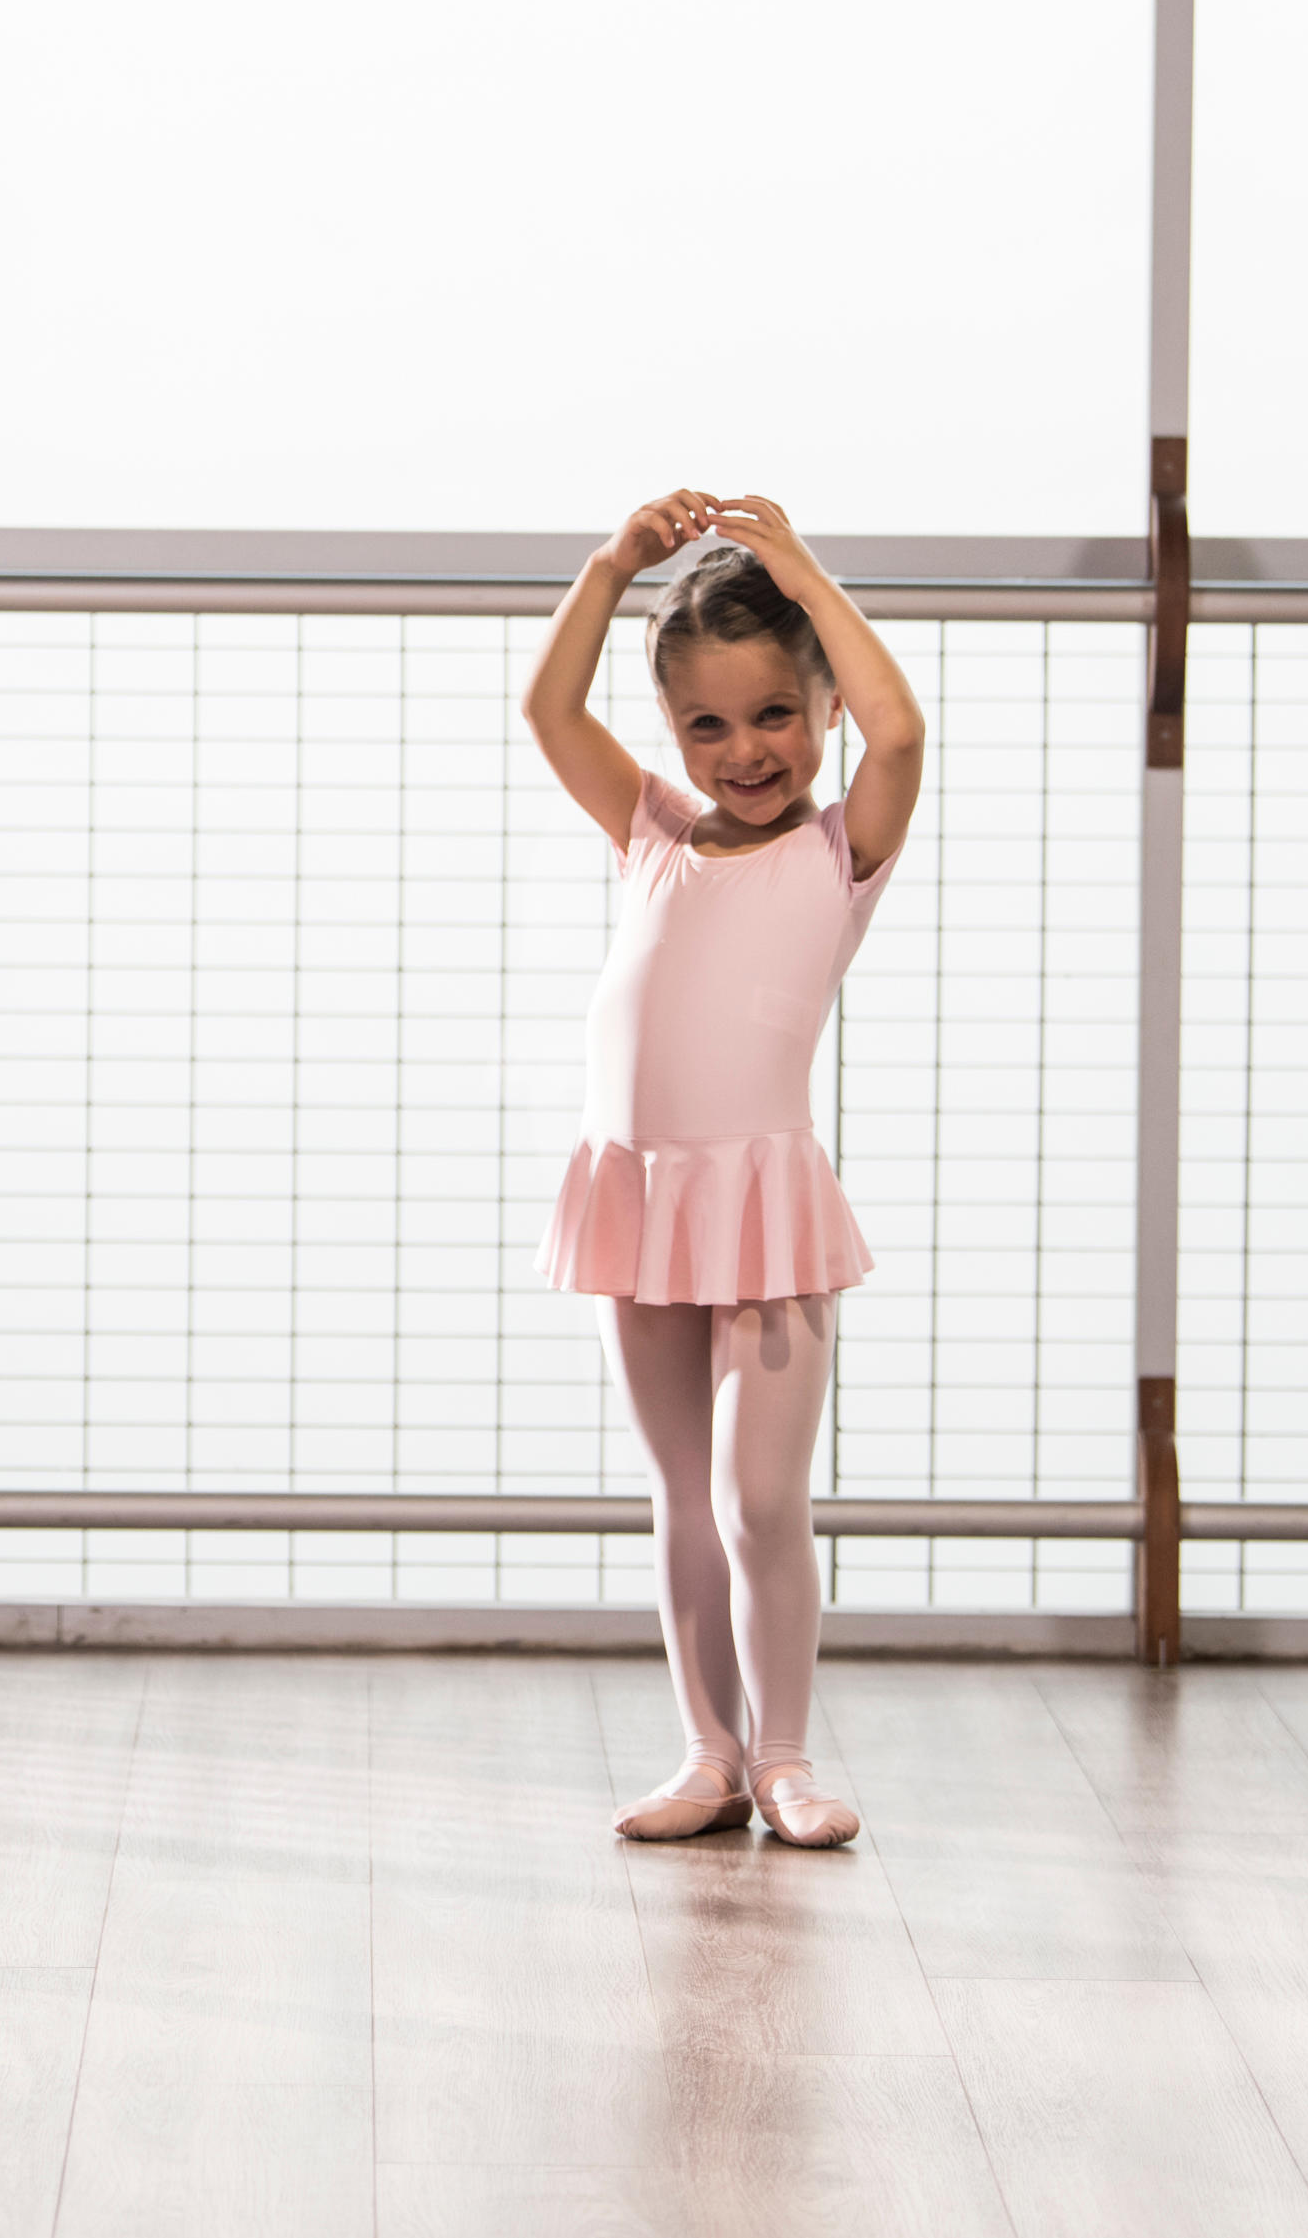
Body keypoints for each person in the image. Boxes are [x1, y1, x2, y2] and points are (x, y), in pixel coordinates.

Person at [519, 492, 925, 1847]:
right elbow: (547, 710)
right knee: (680, 1494)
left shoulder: (836, 850)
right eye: (706, 722)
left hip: (759, 1208)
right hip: (637, 1198)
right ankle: (709, 1752)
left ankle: (788, 1755)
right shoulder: (650, 832)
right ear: (671, 730)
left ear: (821, 713)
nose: (743, 750)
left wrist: (805, 572)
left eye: (774, 715)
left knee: (761, 1497)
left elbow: (905, 729)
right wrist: (607, 565)